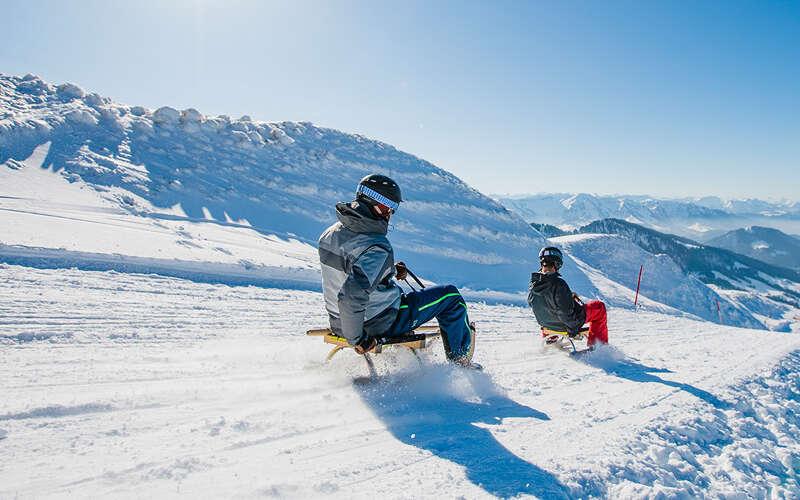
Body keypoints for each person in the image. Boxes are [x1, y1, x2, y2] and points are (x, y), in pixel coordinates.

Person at [318, 174, 479, 369]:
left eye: (394, 208)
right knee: (451, 296)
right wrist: (358, 339)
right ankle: (461, 362)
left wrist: (389, 270)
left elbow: (349, 270)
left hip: (338, 320)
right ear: (371, 203)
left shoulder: (331, 233)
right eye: (387, 208)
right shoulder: (377, 246)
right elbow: (350, 296)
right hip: (377, 321)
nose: (390, 214)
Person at [528, 246, 608, 347]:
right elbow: (564, 312)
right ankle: (598, 347)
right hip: (565, 325)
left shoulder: (534, 284)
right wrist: (573, 331)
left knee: (547, 308)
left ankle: (551, 339)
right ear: (557, 263)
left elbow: (538, 303)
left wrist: (568, 298)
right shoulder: (558, 283)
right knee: (599, 306)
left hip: (546, 324)